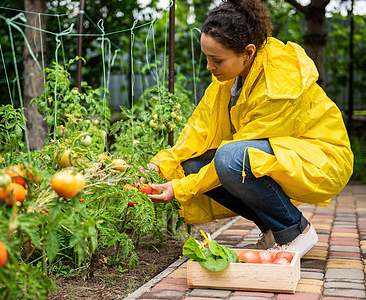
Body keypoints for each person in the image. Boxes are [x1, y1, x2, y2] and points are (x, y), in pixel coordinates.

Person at [142, 0, 353, 257]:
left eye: (216, 60)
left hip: (323, 158)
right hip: (281, 155)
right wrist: (159, 166)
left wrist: (181, 188)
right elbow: (198, 131)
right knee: (193, 165)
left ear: (248, 53)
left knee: (230, 159)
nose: (209, 67)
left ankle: (295, 230)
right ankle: (273, 230)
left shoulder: (278, 84)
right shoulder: (231, 77)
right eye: (207, 58)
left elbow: (238, 154)